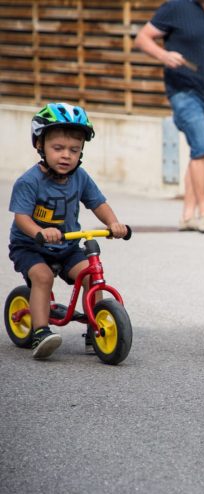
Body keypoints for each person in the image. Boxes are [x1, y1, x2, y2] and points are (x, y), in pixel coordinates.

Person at [8, 103, 128, 359]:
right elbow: (21, 218)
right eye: (58, 148)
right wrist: (39, 232)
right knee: (42, 277)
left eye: (74, 150)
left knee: (90, 277)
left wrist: (113, 224)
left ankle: (94, 332)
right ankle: (40, 332)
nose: (66, 156)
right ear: (40, 146)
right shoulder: (29, 181)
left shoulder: (80, 177)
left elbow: (98, 203)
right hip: (31, 245)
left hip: (67, 245)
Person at [135, 0, 204, 233]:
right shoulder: (175, 8)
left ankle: (187, 216)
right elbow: (143, 37)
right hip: (183, 92)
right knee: (203, 148)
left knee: (202, 154)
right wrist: (163, 55)